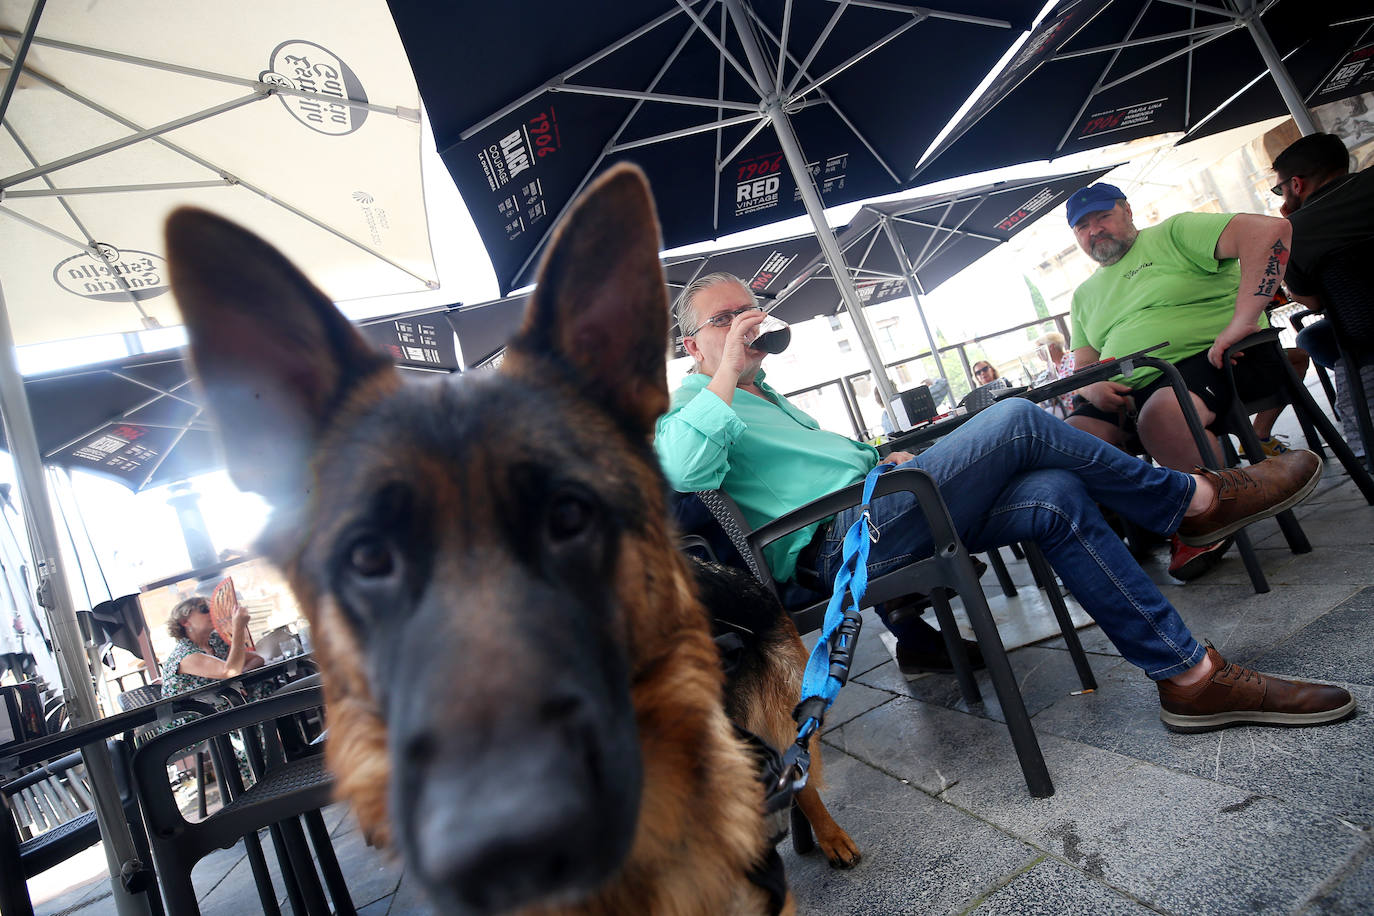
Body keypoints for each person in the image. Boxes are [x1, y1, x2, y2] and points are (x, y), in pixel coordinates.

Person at [656, 272, 1354, 731]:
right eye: (727, 317)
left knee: (1054, 492)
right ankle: (1195, 501)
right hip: (841, 547)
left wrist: (881, 457)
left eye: (752, 306)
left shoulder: (764, 394)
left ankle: (1190, 677)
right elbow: (686, 467)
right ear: (692, 344)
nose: (748, 321)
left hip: (882, 500)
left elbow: (821, 467)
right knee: (1016, 418)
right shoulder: (689, 400)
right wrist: (723, 372)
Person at [1063, 183, 1298, 582]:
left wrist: (1243, 319)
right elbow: (1083, 361)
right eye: (1082, 226)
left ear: (1128, 211)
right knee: (1070, 440)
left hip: (1220, 357)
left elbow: (1271, 232)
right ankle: (1145, 520)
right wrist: (1088, 385)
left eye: (1102, 216)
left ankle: (1209, 516)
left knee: (1162, 415)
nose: (1094, 230)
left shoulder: (1174, 233)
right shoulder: (1084, 294)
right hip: (1129, 385)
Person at [1271, 132, 1374, 455]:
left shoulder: (1292, 232)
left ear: (1296, 185)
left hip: (1367, 331)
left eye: (1280, 187)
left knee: (1310, 339)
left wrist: (1289, 228)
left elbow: (1313, 301)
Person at [1032, 331, 1075, 418]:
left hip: (1074, 406)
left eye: (1039, 349)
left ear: (1050, 347)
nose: (1037, 353)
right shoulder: (1051, 369)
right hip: (1061, 408)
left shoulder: (1072, 359)